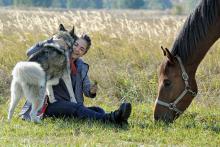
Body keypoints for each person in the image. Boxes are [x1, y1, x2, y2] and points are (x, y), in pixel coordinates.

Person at [20, 33, 132, 125]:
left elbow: (86, 89)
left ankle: (117, 120)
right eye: (76, 45)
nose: (77, 49)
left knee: (98, 110)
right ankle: (113, 119)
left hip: (69, 104)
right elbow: (30, 53)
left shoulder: (81, 66)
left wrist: (91, 91)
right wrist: (52, 40)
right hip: (48, 106)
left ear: (84, 53)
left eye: (82, 49)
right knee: (78, 108)